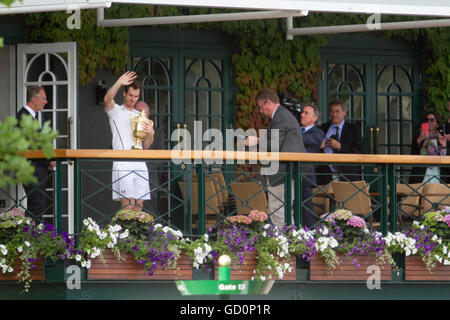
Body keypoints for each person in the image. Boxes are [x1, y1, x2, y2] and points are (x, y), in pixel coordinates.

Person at [245, 88, 310, 229]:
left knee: (277, 208)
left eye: (261, 107)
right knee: (282, 208)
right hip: (286, 170)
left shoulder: (281, 116)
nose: (261, 111)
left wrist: (255, 139)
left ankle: (287, 241)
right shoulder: (281, 115)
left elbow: (274, 143)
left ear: (268, 102)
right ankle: (290, 240)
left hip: (284, 170)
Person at [104, 71, 154, 211]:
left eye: (136, 96)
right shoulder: (116, 110)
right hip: (123, 162)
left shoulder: (141, 116)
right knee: (127, 205)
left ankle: (136, 233)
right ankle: (123, 233)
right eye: (131, 95)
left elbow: (146, 145)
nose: (133, 99)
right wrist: (119, 82)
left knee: (139, 205)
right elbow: (107, 99)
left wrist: (150, 134)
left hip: (140, 163)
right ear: (124, 94)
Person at [17, 86, 56, 218]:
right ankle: (31, 237)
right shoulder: (23, 117)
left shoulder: (34, 117)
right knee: (37, 204)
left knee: (38, 204)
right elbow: (31, 146)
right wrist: (48, 160)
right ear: (34, 99)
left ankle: (32, 236)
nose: (46, 102)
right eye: (44, 99)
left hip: (37, 167)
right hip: (30, 169)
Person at [317, 99, 364, 184]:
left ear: (344, 112)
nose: (334, 114)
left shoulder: (354, 129)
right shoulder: (322, 128)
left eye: (337, 111)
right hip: (324, 175)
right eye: (332, 111)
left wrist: (340, 147)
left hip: (347, 176)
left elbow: (359, 152)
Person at [134, 101, 166, 216]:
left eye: (142, 112)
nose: (139, 114)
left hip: (150, 176)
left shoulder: (157, 132)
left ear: (148, 114)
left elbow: (160, 156)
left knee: (150, 209)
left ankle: (152, 233)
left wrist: (146, 166)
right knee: (129, 207)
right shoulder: (127, 129)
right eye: (136, 111)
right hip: (129, 173)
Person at [299, 104, 324, 226]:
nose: (302, 114)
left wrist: (290, 137)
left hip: (305, 176)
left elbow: (304, 141)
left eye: (306, 112)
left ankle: (310, 236)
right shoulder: (296, 131)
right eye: (302, 112)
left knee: (306, 210)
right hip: (290, 174)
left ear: (314, 118)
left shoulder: (318, 133)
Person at [409, 111, 447, 184]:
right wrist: (419, 140)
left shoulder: (442, 138)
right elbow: (413, 156)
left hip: (438, 176)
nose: (428, 122)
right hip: (421, 177)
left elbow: (446, 159)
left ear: (437, 124)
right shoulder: (419, 137)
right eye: (427, 120)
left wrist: (443, 146)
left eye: (432, 120)